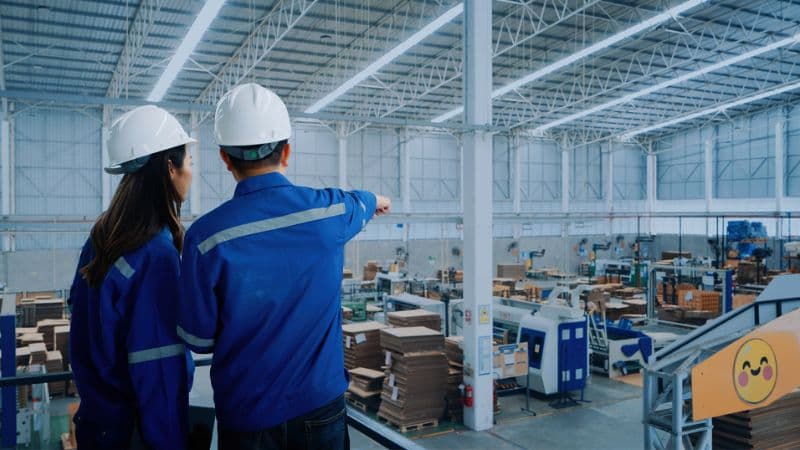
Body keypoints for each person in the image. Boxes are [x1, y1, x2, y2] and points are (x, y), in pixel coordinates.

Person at [177, 83, 391, 450]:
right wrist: (379, 200)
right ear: (287, 151)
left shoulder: (206, 237)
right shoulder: (331, 212)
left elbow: (198, 339)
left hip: (247, 416)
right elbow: (364, 201)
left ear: (225, 159)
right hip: (320, 408)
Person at [68, 105, 195, 450]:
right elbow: (158, 371)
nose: (191, 172)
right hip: (135, 432)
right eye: (189, 161)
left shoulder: (101, 239)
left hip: (99, 423)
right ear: (170, 167)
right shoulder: (157, 257)